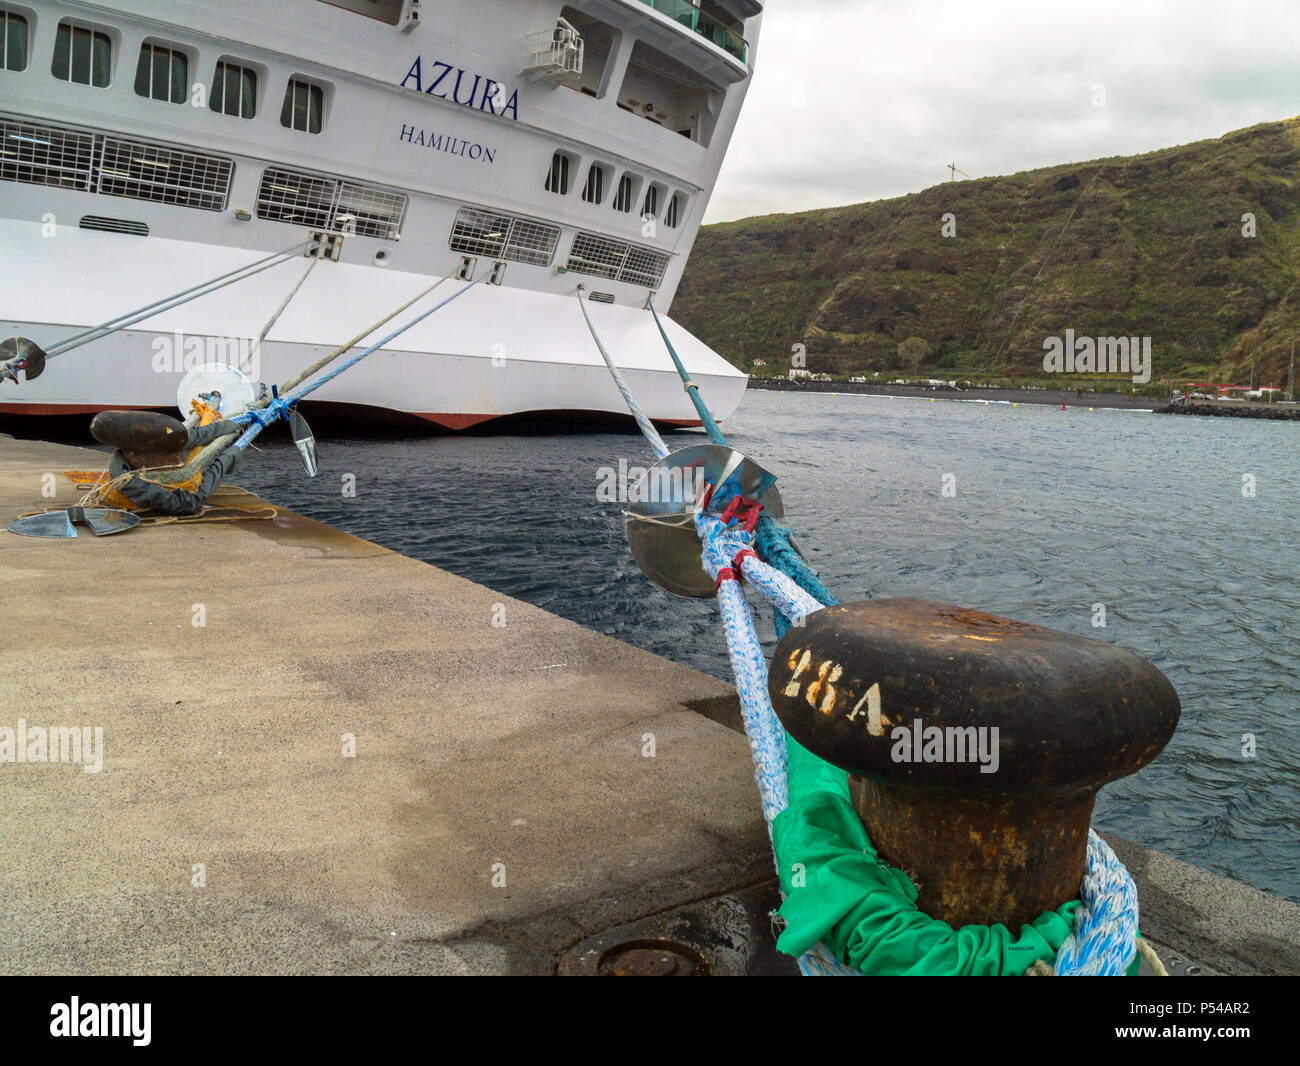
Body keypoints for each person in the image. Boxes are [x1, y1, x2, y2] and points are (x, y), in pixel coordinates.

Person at [90, 410, 246, 516]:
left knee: (185, 439)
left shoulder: (120, 475)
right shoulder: (124, 480)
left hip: (128, 484)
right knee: (190, 453)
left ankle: (218, 417)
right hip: (146, 483)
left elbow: (192, 436)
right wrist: (230, 454)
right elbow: (192, 437)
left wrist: (227, 426)